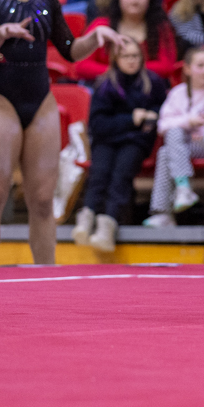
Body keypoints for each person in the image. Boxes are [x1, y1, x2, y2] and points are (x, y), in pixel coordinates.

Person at [0, 0, 124, 267]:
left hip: (40, 99)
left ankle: (45, 278)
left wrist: (95, 37)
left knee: (42, 200)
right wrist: (0, 34)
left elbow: (69, 50)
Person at [71, 39, 166, 252]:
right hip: (107, 139)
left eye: (135, 56)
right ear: (116, 59)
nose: (131, 61)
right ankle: (87, 217)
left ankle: (108, 224)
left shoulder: (153, 82)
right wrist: (131, 119)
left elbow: (161, 113)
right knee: (99, 174)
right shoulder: (105, 84)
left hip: (136, 141)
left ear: (141, 58)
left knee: (120, 176)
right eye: (126, 56)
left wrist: (148, 119)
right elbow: (97, 124)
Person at [145, 47, 204, 227]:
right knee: (166, 149)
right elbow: (162, 125)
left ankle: (169, 205)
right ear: (187, 69)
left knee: (168, 150)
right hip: (186, 147)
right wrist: (189, 121)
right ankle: (180, 190)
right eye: (200, 66)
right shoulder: (178, 93)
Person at [76, 0, 178, 81]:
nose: (134, 0)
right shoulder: (101, 25)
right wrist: (119, 72)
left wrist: (129, 70)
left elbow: (166, 66)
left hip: (148, 88)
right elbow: (82, 66)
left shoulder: (160, 27)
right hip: (103, 86)